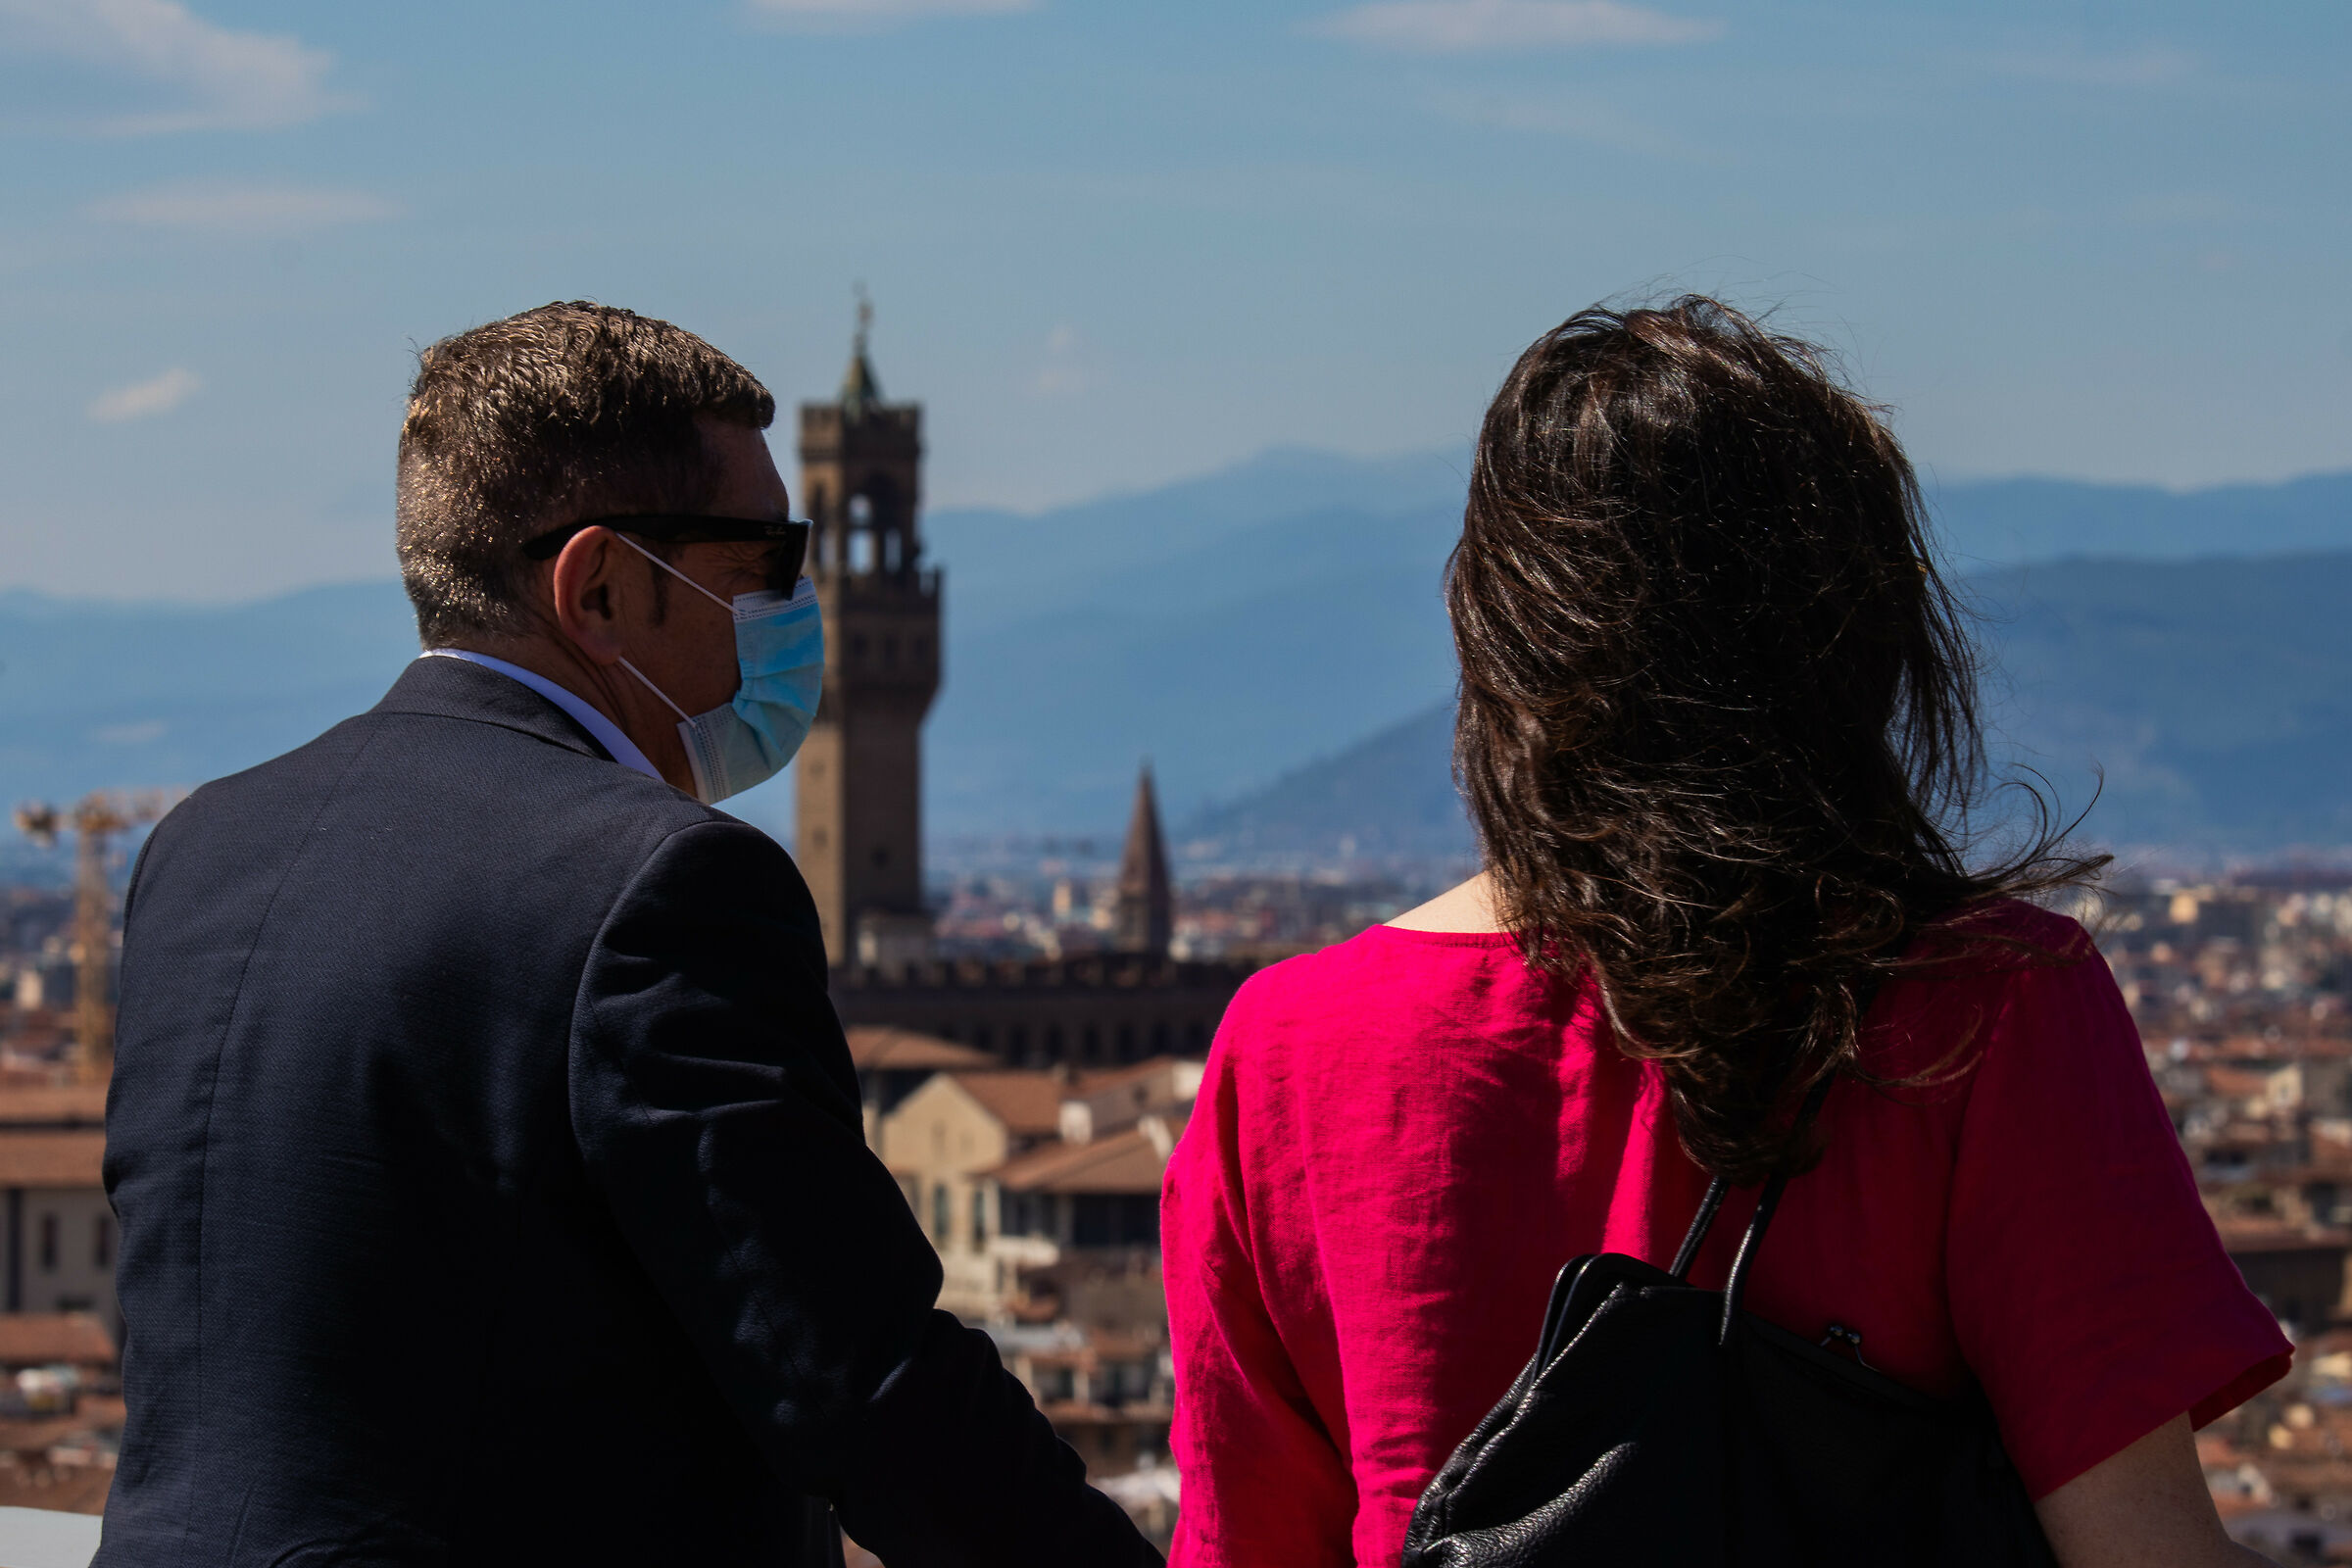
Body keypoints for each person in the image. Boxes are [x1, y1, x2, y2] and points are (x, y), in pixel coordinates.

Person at [1161, 298, 2290, 1568]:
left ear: (1496, 641)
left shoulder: (1289, 1056)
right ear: (1848, 642)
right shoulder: (1983, 1013)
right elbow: (2144, 1555)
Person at [100, 302, 1158, 1567]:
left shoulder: (203, 850)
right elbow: (859, 1382)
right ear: (599, 587)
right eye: (761, 565)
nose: (795, 603)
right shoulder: (660, 883)